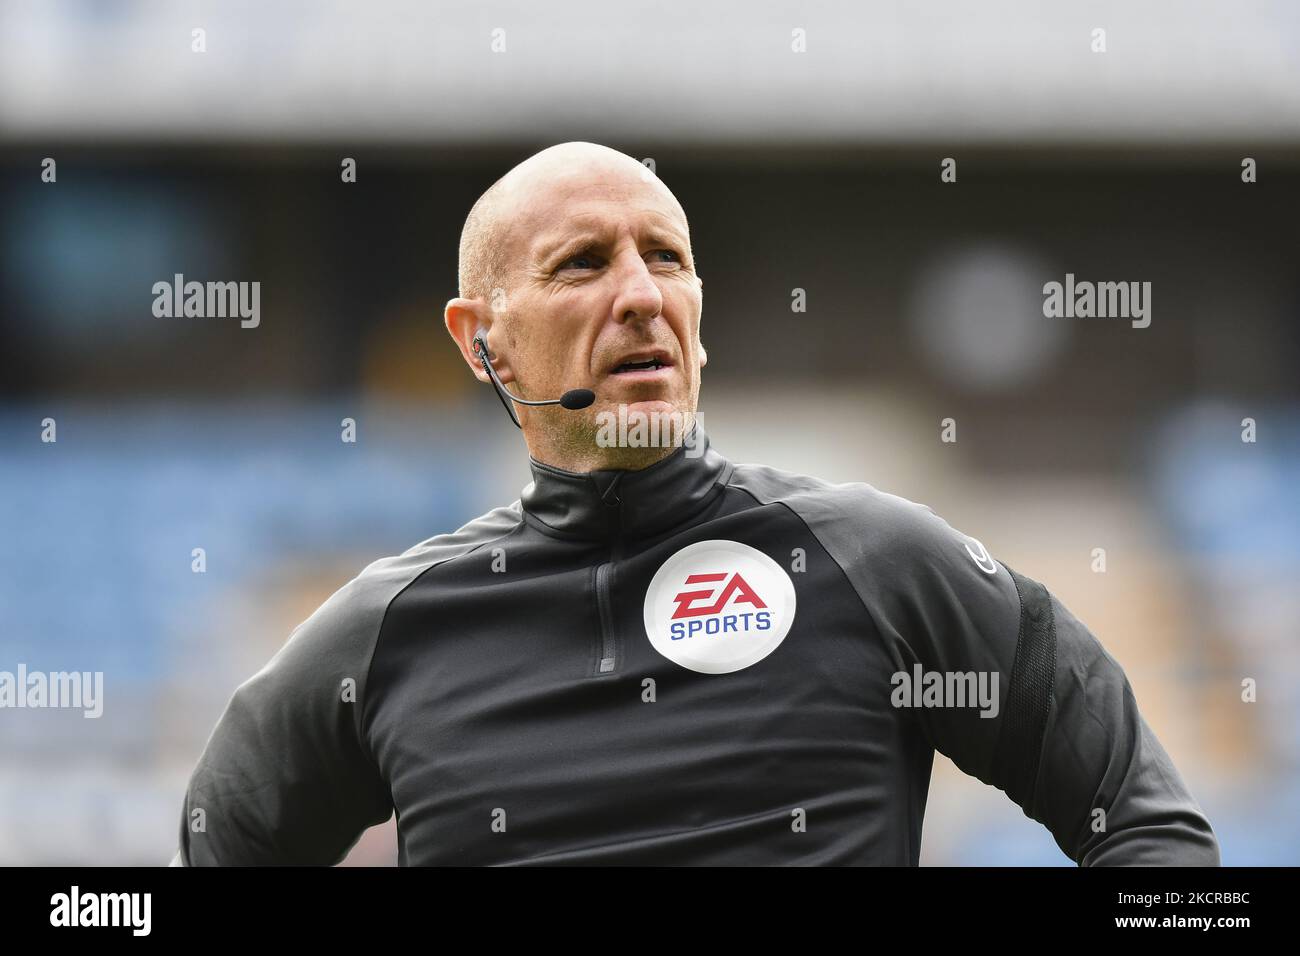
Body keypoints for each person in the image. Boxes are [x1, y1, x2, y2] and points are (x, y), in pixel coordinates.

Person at [172, 142, 1219, 865]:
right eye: (581, 263)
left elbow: (1145, 823)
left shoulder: (880, 563)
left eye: (666, 257)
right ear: (478, 339)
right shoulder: (382, 633)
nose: (641, 294)